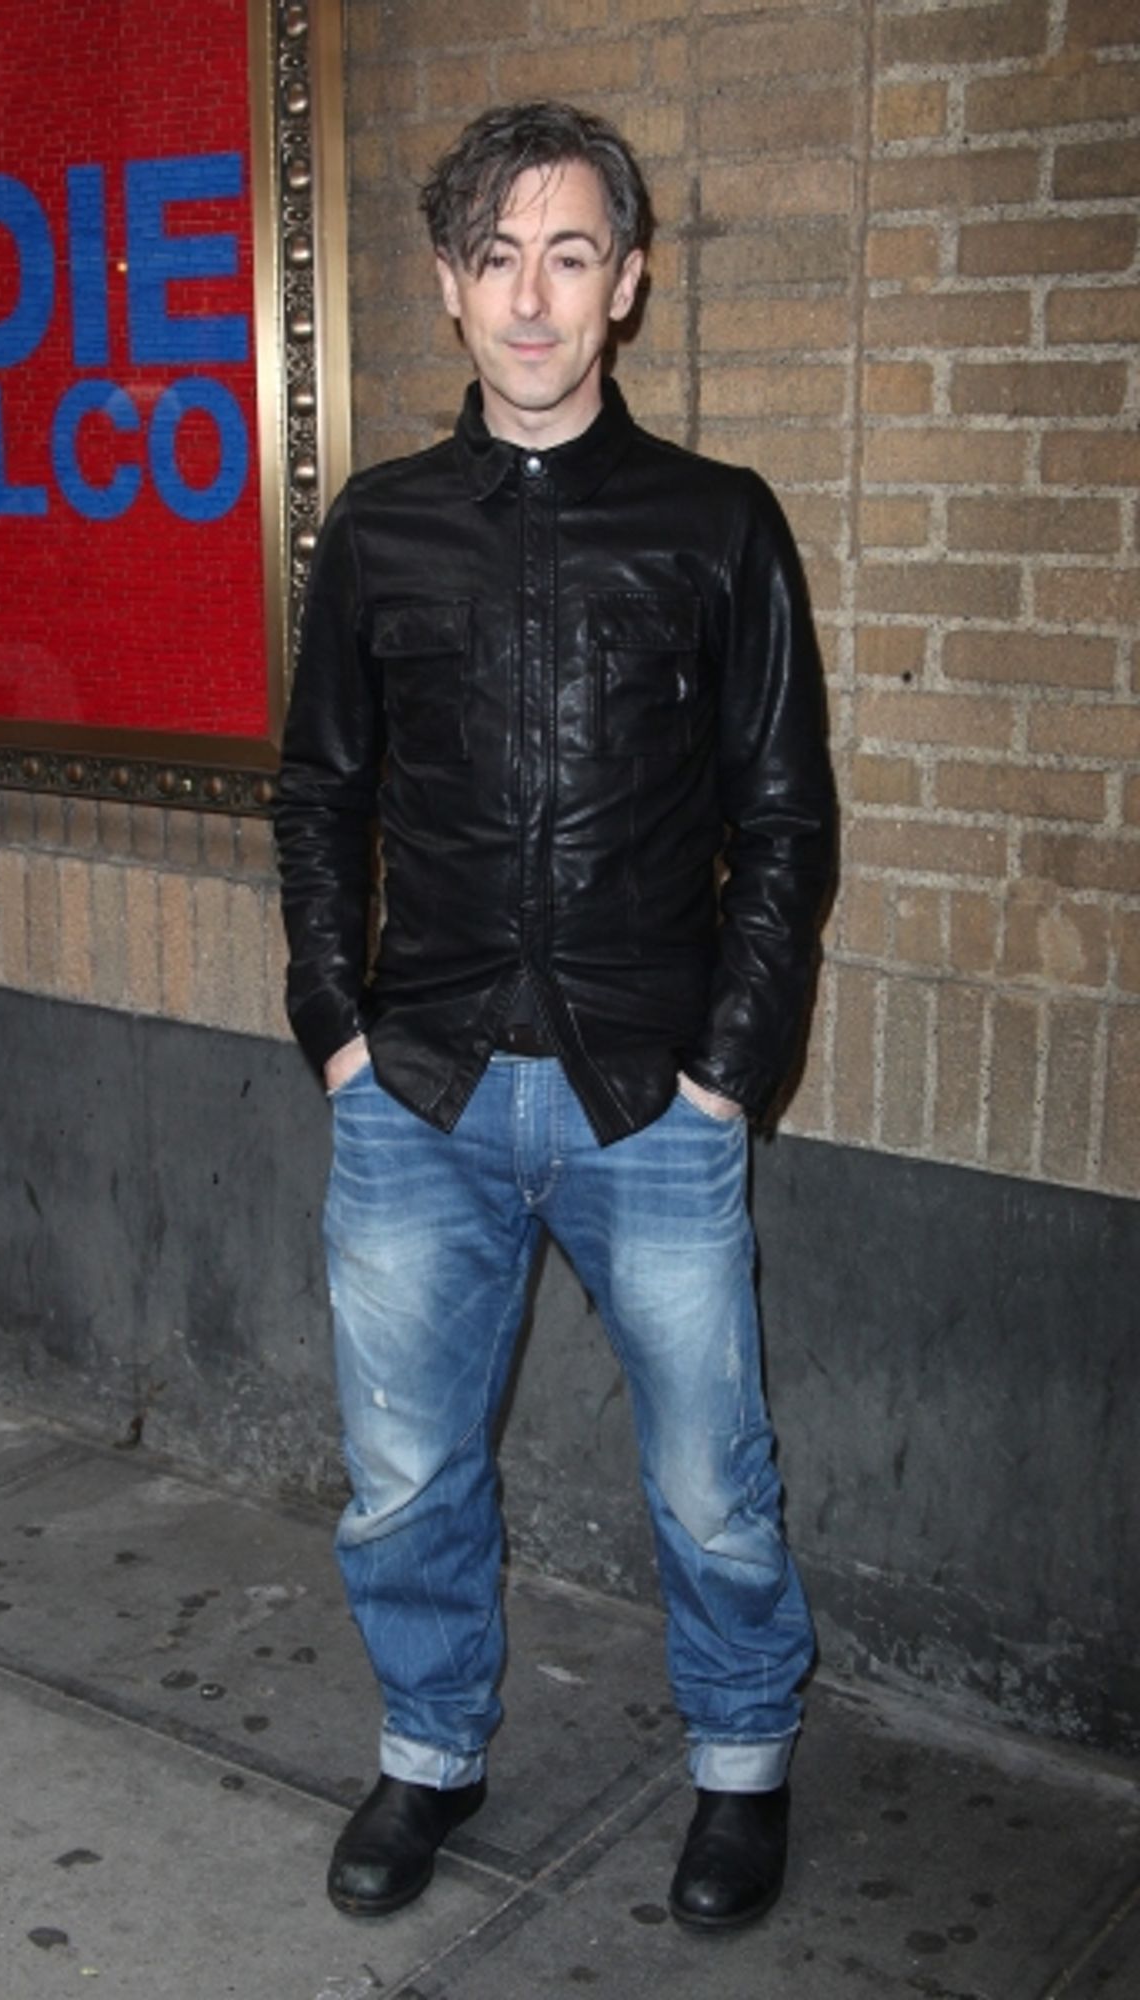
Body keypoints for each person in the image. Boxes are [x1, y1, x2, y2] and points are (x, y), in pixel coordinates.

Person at [275, 100, 835, 1933]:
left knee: (712, 1479)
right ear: (448, 289)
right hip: (416, 1090)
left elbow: (782, 819)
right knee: (406, 1477)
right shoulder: (378, 532)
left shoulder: (716, 527)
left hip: (644, 1100)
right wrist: (338, 1027)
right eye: (497, 257)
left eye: (570, 252)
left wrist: (728, 1074)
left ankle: (742, 1769)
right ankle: (431, 1751)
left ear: (628, 284)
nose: (533, 295)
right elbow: (319, 799)